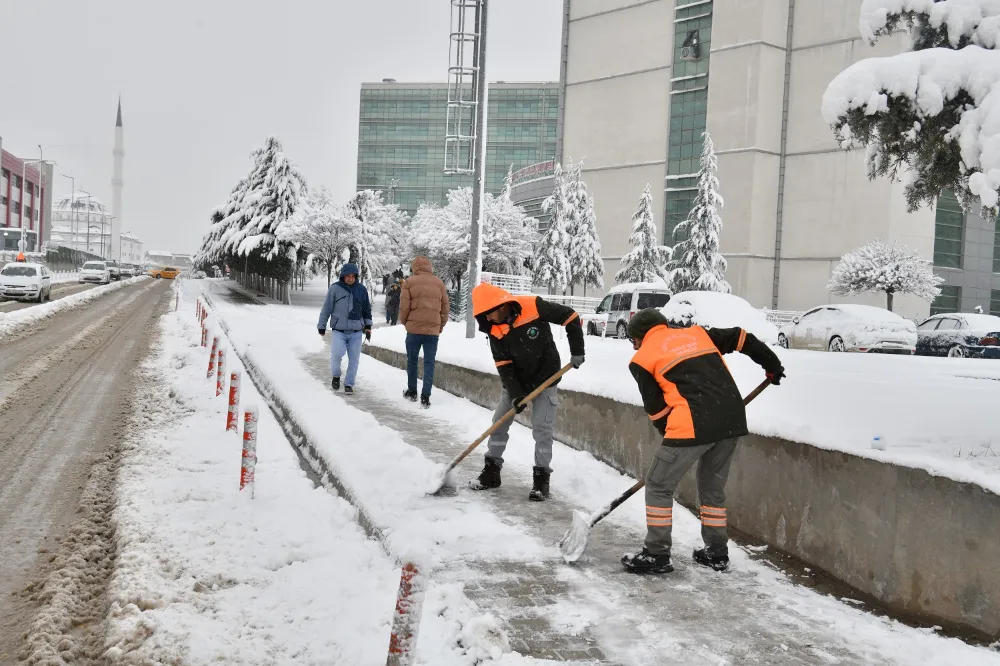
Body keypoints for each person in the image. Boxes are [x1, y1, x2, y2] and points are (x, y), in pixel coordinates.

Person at [621, 309, 785, 575]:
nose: (634, 345)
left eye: (633, 340)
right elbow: (741, 337)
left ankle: (656, 554)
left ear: (638, 337)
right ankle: (716, 553)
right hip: (731, 420)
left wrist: (673, 440)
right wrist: (772, 365)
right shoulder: (698, 334)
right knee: (711, 488)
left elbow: (657, 410)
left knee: (658, 485)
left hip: (691, 423)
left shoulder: (641, 359)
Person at [468, 283, 585, 501]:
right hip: (516, 383)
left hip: (546, 378)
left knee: (542, 429)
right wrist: (516, 395)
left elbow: (570, 316)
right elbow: (504, 365)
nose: (489, 320)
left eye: (489, 313)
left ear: (500, 305)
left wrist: (577, 349)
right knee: (499, 423)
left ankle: (541, 481)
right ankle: (492, 472)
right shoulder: (493, 329)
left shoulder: (533, 305)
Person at [399, 256, 449, 408]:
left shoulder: (409, 282)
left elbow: (404, 307)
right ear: (429, 267)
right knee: (429, 363)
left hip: (413, 330)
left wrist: (405, 322)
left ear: (414, 267)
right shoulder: (439, 283)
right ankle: (426, 396)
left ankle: (412, 391)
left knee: (412, 361)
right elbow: (445, 308)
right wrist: (440, 326)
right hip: (432, 332)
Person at [317, 263, 372, 395]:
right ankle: (336, 376)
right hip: (339, 330)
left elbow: (367, 309)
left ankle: (349, 384)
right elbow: (327, 308)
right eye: (348, 276)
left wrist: (368, 326)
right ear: (343, 276)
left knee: (354, 359)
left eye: (353, 276)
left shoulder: (361, 290)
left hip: (356, 331)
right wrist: (322, 325)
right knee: (336, 354)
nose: (350, 279)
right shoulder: (335, 289)